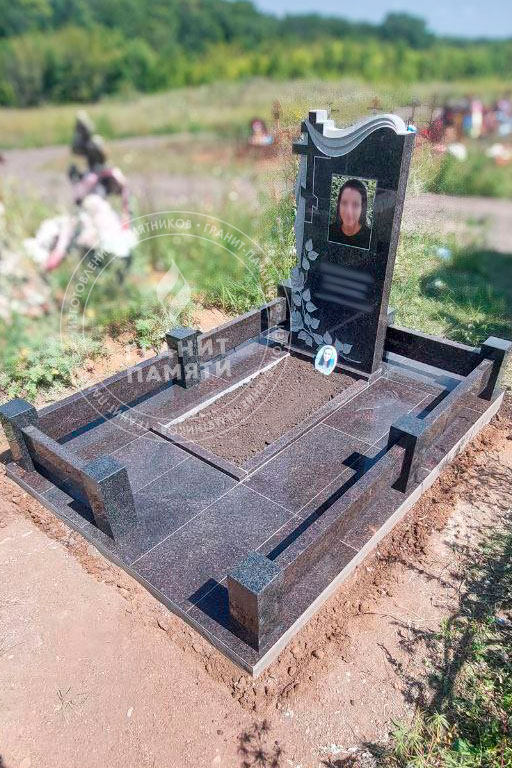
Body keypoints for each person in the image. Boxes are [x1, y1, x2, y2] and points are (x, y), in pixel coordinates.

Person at [328, 178, 371, 249]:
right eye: (344, 203)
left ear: (362, 208)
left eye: (355, 204)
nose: (349, 211)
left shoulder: (370, 239)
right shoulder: (329, 231)